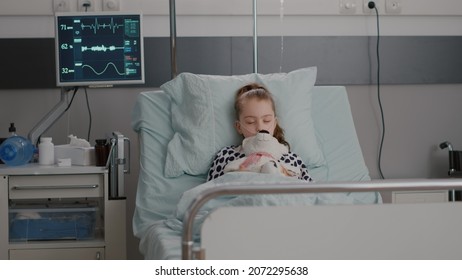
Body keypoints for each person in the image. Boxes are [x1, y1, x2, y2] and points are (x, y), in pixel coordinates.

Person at [207, 83, 313, 182]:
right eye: (250, 122)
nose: (260, 127)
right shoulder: (226, 155)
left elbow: (310, 193)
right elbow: (210, 194)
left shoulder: (292, 159)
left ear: (275, 123)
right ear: (239, 127)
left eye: (266, 120)